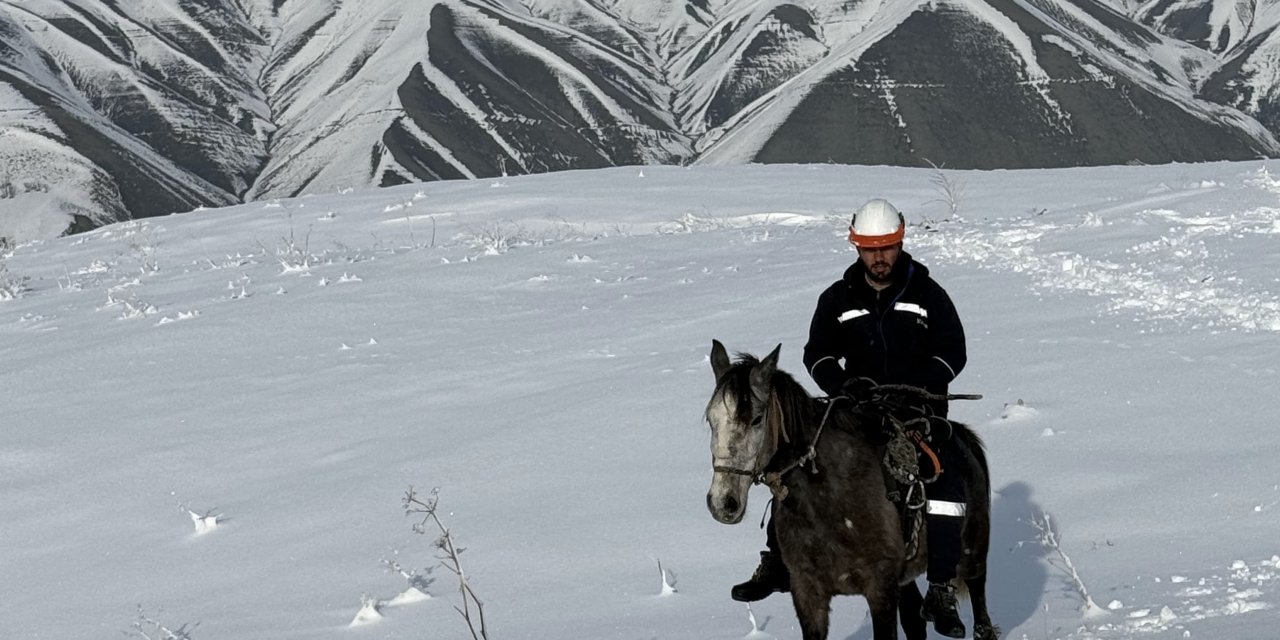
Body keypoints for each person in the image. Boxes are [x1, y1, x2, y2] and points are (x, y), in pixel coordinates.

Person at [730, 198, 970, 639]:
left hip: (917, 412)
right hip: (853, 410)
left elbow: (953, 352)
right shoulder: (837, 298)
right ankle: (778, 561)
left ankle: (939, 586)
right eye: (870, 249)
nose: (879, 258)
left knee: (946, 479)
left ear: (900, 242)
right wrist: (841, 385)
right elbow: (816, 352)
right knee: (793, 462)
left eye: (887, 248)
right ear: (856, 247)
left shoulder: (928, 295)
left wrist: (918, 385)